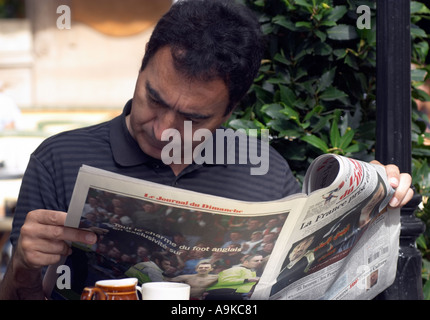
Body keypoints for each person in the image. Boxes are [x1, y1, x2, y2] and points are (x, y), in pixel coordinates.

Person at [0, 0, 414, 300]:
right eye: (154, 99)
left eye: (193, 119)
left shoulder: (264, 171)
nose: (163, 130)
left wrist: (368, 203)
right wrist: (21, 268)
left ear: (229, 111)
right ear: (141, 68)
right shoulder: (58, 159)